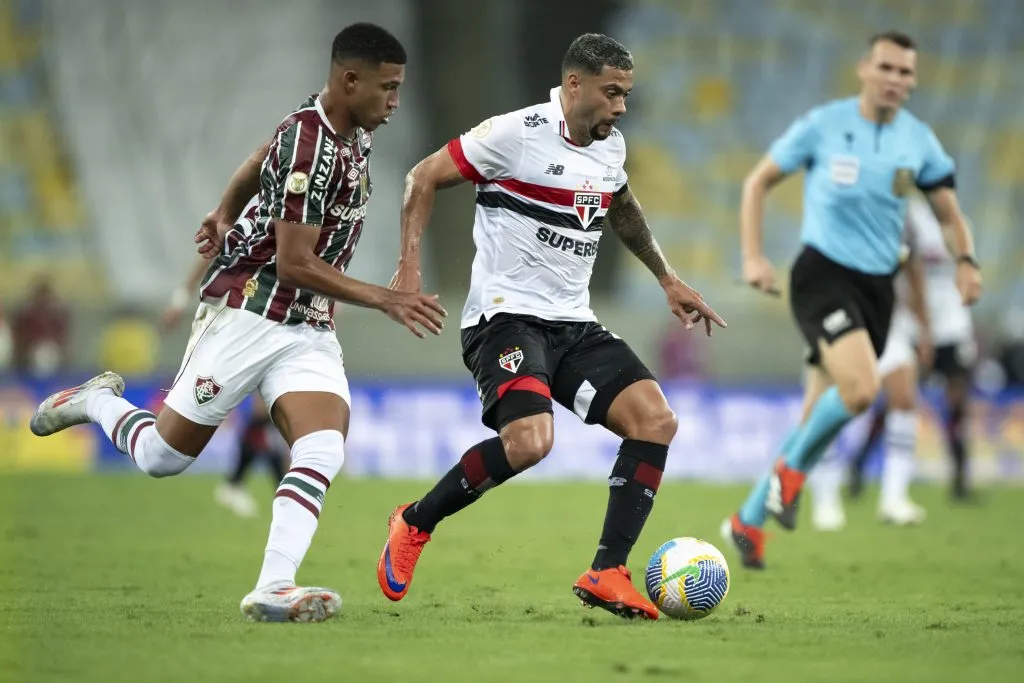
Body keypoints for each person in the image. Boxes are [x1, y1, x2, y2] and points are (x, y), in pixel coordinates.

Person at [29, 23, 446, 623]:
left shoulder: (340, 125)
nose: (395, 102)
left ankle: (275, 587)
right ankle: (96, 401)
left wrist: (224, 207)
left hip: (307, 325)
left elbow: (260, 156)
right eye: (387, 88)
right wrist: (385, 298)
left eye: (399, 89)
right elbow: (295, 263)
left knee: (323, 446)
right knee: (161, 457)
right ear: (349, 80)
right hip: (249, 311)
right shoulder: (313, 146)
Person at [375, 33, 725, 621]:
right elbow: (421, 176)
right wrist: (409, 265)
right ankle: (414, 522)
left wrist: (668, 277)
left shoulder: (610, 148)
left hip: (573, 322)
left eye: (626, 96)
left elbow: (621, 207)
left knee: (655, 420)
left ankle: (607, 571)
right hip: (505, 318)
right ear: (574, 85)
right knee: (531, 443)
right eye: (611, 94)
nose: (620, 107)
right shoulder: (514, 134)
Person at [723, 30, 982, 570]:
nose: (895, 80)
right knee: (862, 390)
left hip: (878, 288)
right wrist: (753, 257)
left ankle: (747, 521)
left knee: (819, 412)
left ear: (913, 80)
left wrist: (966, 261)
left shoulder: (918, 141)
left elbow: (949, 213)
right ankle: (790, 480)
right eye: (886, 68)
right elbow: (757, 183)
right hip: (822, 276)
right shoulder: (825, 125)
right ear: (865, 69)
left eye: (905, 72)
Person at [811, 195, 979, 529]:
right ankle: (825, 498)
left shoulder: (901, 215)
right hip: (842, 317)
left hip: (891, 321)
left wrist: (924, 328)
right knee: (834, 403)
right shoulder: (839, 209)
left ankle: (894, 498)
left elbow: (913, 270)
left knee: (903, 399)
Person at [163, 209, 290, 519]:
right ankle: (260, 487)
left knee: (270, 409)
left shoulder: (297, 212)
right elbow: (209, 252)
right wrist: (181, 298)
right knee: (265, 410)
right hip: (240, 319)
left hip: (280, 321)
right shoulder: (254, 213)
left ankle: (251, 486)